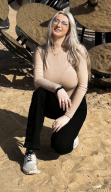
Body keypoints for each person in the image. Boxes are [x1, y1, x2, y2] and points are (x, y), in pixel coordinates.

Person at [22, 11, 90, 175]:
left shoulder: (78, 51)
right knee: (39, 93)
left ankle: (71, 137)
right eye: (56, 21)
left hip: (74, 106)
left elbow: (82, 86)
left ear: (69, 29)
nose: (59, 25)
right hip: (53, 100)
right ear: (51, 24)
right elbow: (37, 80)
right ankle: (30, 151)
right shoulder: (40, 51)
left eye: (64, 23)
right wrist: (57, 88)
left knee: (59, 146)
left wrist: (67, 116)